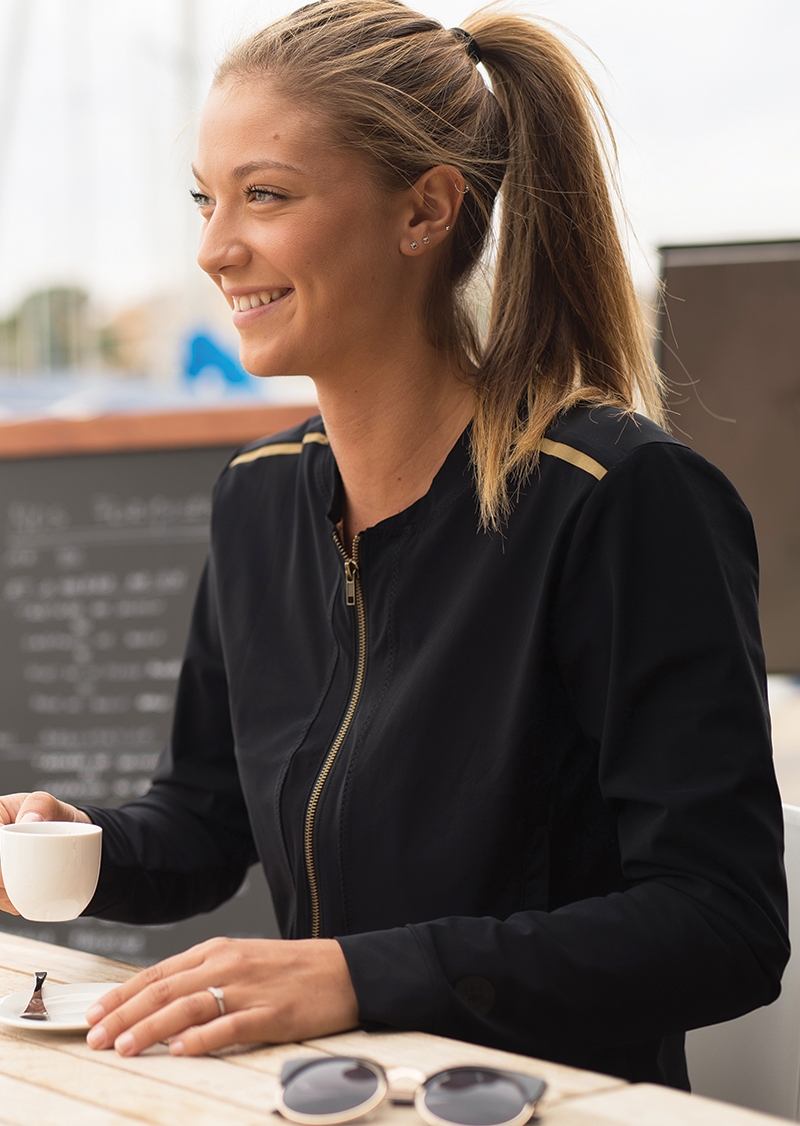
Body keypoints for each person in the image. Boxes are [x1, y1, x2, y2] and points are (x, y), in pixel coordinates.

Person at [0, 0, 788, 1088]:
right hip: (318, 1099)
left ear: (423, 210)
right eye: (205, 199)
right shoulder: (257, 498)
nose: (215, 248)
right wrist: (65, 842)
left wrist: (355, 976)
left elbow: (720, 925)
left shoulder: (621, 500)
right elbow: (204, 819)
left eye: (264, 196)